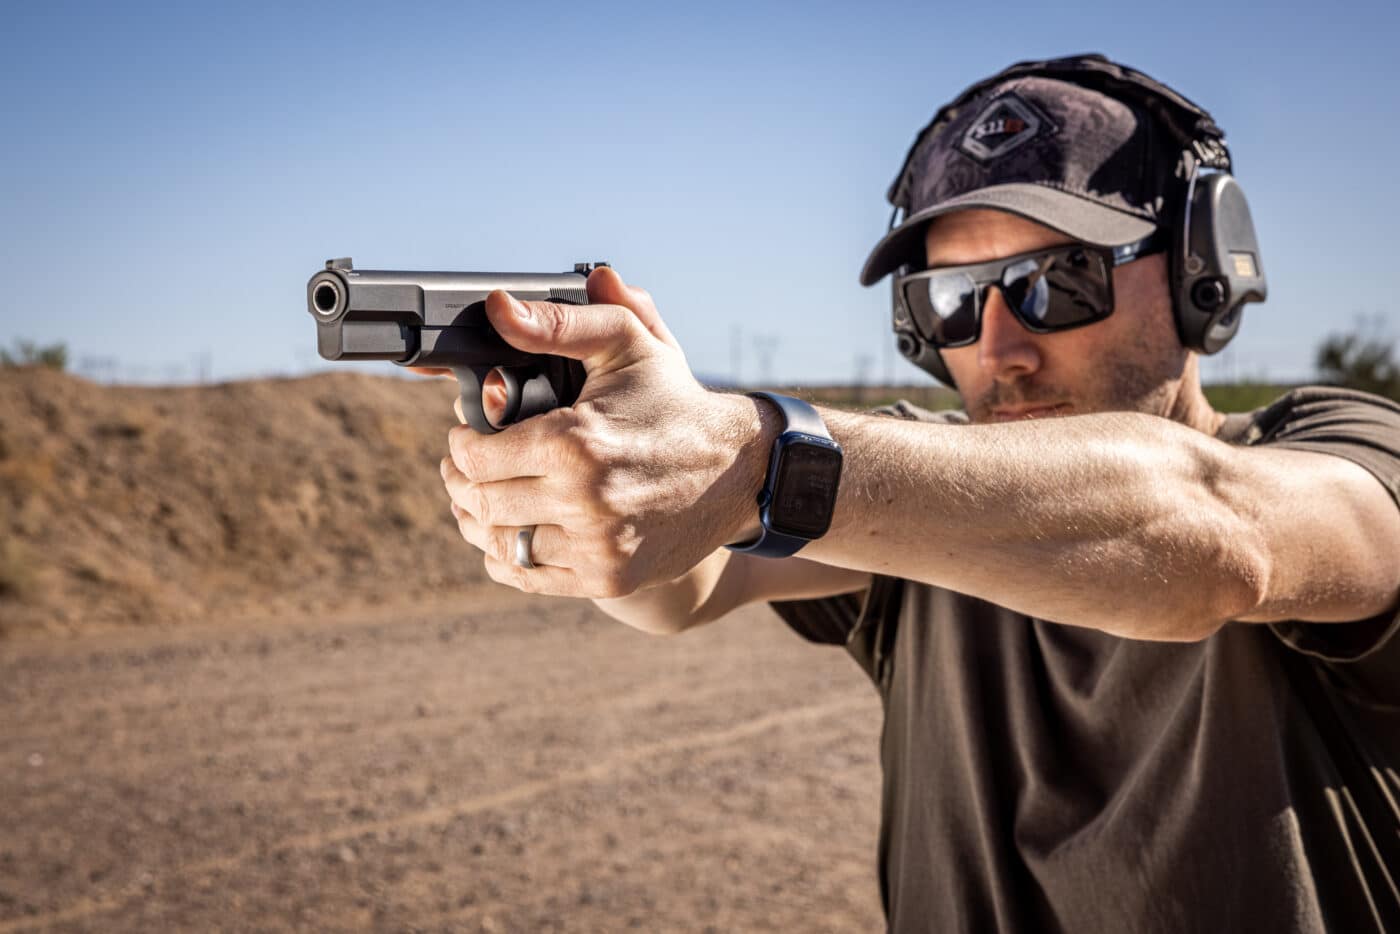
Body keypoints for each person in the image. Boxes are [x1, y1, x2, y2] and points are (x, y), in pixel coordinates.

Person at [433, 54, 1400, 932]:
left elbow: (1218, 538)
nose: (1000, 349)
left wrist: (760, 462)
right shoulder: (916, 490)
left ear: (1202, 273)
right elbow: (682, 589)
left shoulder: (1350, 455)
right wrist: (583, 470)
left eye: (1058, 283)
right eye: (947, 303)